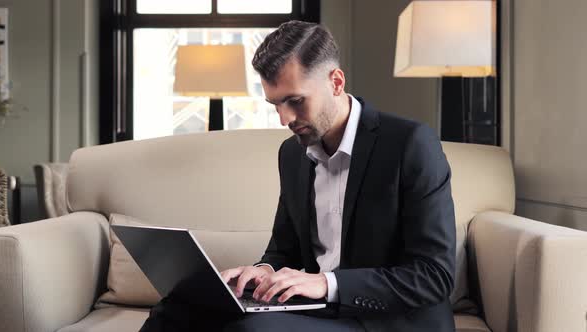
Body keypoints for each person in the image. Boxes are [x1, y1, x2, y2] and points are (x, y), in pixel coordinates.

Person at [140, 20, 456, 332]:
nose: (284, 119)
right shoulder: (291, 155)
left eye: (295, 101)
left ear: (336, 82)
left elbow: (433, 275)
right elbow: (283, 250)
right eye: (276, 104)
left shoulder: (410, 144)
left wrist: (326, 283)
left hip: (387, 320)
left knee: (253, 330)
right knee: (175, 308)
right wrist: (260, 271)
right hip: (320, 310)